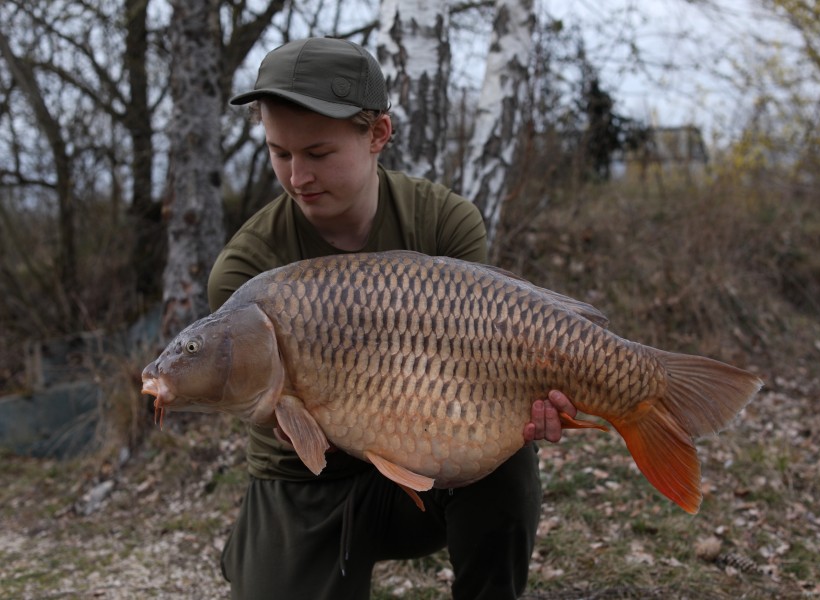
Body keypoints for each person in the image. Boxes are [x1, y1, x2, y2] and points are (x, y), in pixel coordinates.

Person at [209, 37, 577, 600]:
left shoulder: (445, 223)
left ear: (378, 133)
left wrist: (531, 401)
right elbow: (263, 406)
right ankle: (266, 555)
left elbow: (480, 374)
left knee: (509, 458)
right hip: (308, 479)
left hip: (426, 458)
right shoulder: (248, 267)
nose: (297, 176)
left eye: (318, 153)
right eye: (280, 153)